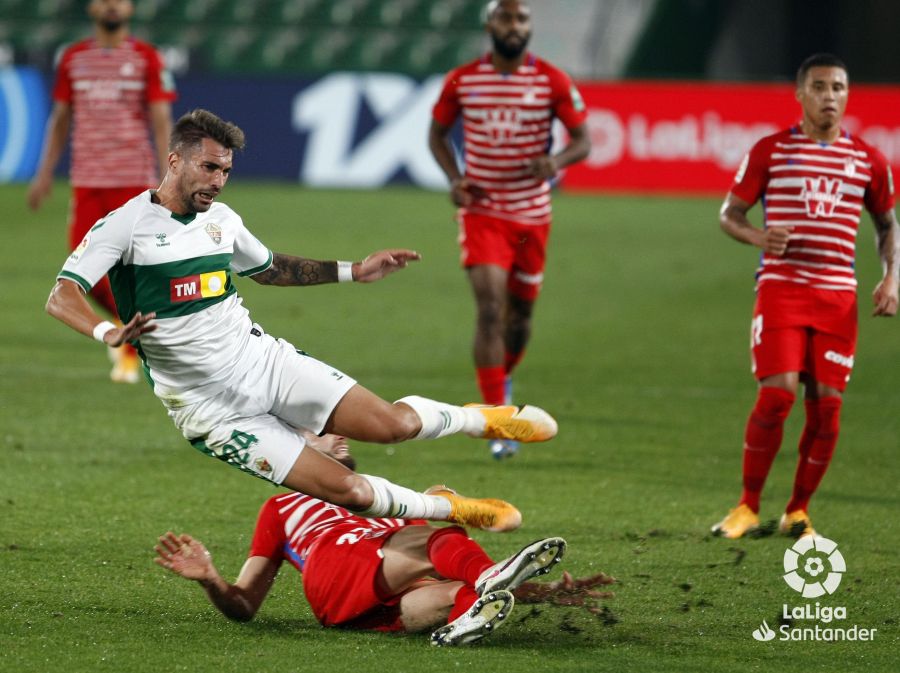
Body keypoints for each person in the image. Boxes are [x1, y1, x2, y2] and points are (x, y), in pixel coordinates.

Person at [45, 108, 560, 534]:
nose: (218, 182)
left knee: (393, 425)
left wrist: (354, 271)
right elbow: (62, 294)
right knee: (350, 490)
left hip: (264, 362)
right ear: (175, 160)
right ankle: (453, 507)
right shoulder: (125, 225)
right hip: (212, 412)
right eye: (208, 168)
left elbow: (269, 270)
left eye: (225, 171)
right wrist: (106, 331)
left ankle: (481, 418)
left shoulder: (222, 221)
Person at [154, 432, 610, 646]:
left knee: (453, 584)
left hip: (376, 599)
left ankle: (464, 619)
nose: (339, 434)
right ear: (292, 449)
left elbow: (435, 555)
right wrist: (211, 578)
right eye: (321, 431)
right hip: (335, 571)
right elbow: (244, 605)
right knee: (434, 531)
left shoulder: (374, 489)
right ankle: (489, 574)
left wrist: (543, 593)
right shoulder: (283, 506)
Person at [712, 53, 898, 539]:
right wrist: (758, 237)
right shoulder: (770, 150)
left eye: (838, 87)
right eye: (819, 87)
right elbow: (729, 213)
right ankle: (747, 506)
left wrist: (891, 277)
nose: (829, 96)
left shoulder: (868, 160)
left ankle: (798, 510)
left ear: (847, 94)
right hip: (782, 289)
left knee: (827, 409)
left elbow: (886, 225)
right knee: (777, 396)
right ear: (800, 93)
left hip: (837, 298)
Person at [428, 0, 591, 459]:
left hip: (532, 216)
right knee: (489, 308)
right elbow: (436, 135)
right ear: (490, 24)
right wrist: (456, 179)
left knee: (519, 319)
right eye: (505, 17)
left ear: (529, 28)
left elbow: (584, 141)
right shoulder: (463, 80)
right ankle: (496, 417)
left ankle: (505, 374)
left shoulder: (552, 80)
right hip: (483, 213)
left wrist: (554, 162)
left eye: (521, 19)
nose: (513, 26)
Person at [28, 0, 176, 384]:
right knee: (82, 268)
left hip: (133, 181)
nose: (112, 5)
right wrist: (44, 173)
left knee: (133, 269)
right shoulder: (74, 58)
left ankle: (135, 346)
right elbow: (61, 119)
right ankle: (131, 332)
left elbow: (161, 120)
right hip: (88, 180)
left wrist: (168, 174)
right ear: (92, 8)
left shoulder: (146, 57)